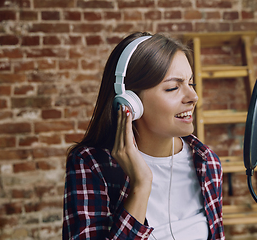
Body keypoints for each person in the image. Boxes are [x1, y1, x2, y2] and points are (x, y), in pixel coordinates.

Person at [62, 32, 224, 240]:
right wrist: (141, 185)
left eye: (190, 83)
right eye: (173, 87)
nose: (194, 97)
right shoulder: (91, 165)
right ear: (129, 102)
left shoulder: (206, 161)